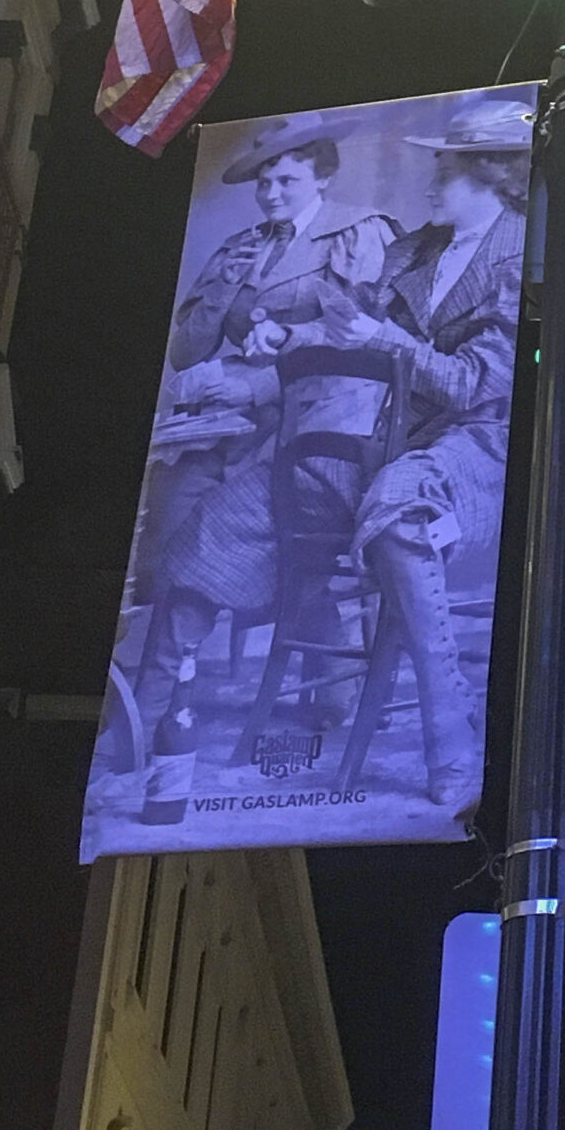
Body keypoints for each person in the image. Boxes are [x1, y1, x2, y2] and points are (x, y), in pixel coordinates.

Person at [302, 99, 532, 807]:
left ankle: (448, 726)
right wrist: (325, 307)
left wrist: (381, 338)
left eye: (447, 169)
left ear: (492, 174)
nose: (432, 181)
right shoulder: (419, 249)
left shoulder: (525, 254)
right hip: (397, 438)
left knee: (401, 509)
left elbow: (472, 386)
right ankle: (324, 683)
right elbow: (356, 317)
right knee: (268, 493)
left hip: (484, 448)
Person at [129, 116, 392, 736]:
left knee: (260, 530)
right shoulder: (240, 247)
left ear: (322, 177)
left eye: (287, 180)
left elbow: (365, 340)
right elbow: (186, 352)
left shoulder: (357, 232)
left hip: (319, 415)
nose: (271, 193)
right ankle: (164, 695)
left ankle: (165, 696)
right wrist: (225, 285)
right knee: (170, 512)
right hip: (228, 423)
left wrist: (262, 379)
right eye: (264, 182)